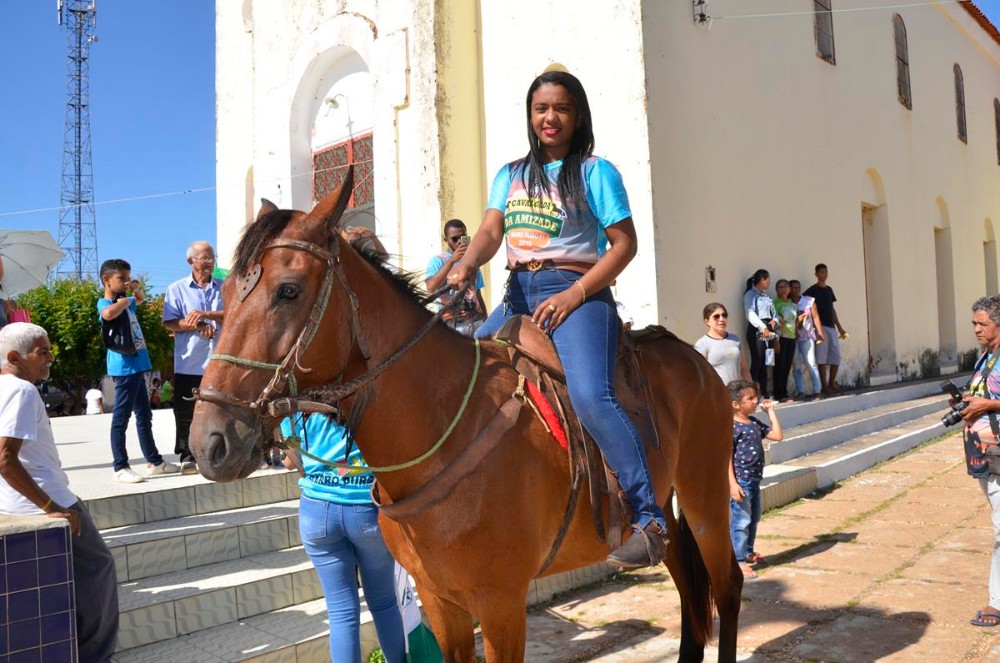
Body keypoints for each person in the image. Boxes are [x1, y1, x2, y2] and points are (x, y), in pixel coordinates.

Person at [447, 67, 668, 568]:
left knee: (592, 396)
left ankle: (648, 516)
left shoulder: (595, 172)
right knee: (463, 379)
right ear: (530, 115)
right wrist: (465, 262)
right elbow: (488, 233)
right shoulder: (510, 174)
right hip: (518, 293)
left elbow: (624, 244)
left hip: (579, 295)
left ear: (577, 116)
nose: (550, 117)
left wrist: (576, 294)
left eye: (561, 108)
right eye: (541, 108)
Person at [0, 323, 119, 661]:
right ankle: (96, 656)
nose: (51, 357)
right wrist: (51, 505)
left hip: (16, 504)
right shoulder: (22, 391)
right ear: (14, 356)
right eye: (42, 351)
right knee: (99, 572)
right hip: (51, 500)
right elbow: (5, 458)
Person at [279, 414, 405, 662]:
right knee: (383, 602)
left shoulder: (296, 413)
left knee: (340, 612)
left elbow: (290, 462)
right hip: (366, 511)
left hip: (316, 513)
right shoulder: (362, 406)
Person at [97, 259, 179, 483]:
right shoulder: (106, 303)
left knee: (144, 415)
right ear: (106, 280)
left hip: (137, 365)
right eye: (120, 279)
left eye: (127, 278)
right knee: (121, 417)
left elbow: (140, 299)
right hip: (124, 368)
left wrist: (135, 289)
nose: (125, 282)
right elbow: (107, 314)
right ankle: (120, 467)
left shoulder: (126, 301)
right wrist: (124, 301)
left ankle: (154, 462)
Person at [162, 241, 225, 470]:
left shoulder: (225, 286)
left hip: (220, 360)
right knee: (186, 410)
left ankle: (218, 451)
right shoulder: (176, 289)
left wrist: (207, 315)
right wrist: (197, 324)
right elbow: (169, 322)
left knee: (221, 408)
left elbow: (234, 313)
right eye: (204, 257)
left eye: (211, 257)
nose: (210, 261)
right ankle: (188, 455)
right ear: (191, 261)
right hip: (189, 362)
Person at [957, 295, 1000, 627]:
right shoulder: (987, 357)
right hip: (986, 455)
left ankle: (996, 602)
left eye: (982, 323)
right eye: (974, 323)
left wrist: (986, 406)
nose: (976, 329)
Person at [727, 379, 783, 580]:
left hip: (754, 480)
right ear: (735, 404)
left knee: (754, 518)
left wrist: (770, 412)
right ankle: (738, 561)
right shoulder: (732, 427)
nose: (755, 401)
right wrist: (732, 484)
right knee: (740, 521)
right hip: (741, 481)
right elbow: (726, 457)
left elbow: (777, 436)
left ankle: (748, 551)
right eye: (750, 398)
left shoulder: (754, 423)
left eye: (755, 397)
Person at [424, 220, 487, 336]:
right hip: (450, 323)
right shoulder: (438, 260)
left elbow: (477, 294)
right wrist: (452, 260)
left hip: (475, 320)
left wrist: (485, 320)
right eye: (454, 239)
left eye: (463, 237)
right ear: (446, 240)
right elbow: (431, 287)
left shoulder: (471, 261)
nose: (459, 242)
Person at [804, 263, 848, 395]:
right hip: (820, 327)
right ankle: (824, 386)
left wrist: (839, 328)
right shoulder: (812, 290)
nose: (824, 274)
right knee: (821, 359)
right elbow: (805, 306)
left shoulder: (829, 290)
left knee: (835, 357)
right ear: (816, 274)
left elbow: (832, 309)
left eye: (826, 272)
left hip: (831, 327)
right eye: (821, 272)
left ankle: (831, 383)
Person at [694, 302, 751, 385]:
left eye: (724, 315)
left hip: (737, 393)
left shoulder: (735, 339)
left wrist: (751, 388)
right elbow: (699, 374)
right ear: (707, 321)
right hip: (717, 394)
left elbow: (743, 368)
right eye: (716, 316)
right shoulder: (702, 344)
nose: (721, 319)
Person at [744, 269, 778, 398]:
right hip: (758, 329)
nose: (769, 282)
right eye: (768, 279)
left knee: (765, 362)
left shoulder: (766, 296)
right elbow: (750, 313)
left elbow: (773, 313)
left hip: (768, 329)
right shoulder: (750, 295)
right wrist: (762, 327)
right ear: (763, 279)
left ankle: (765, 394)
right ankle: (753, 394)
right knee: (757, 361)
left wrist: (775, 320)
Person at [790, 279, 825, 400]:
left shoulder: (809, 300)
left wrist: (820, 332)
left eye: (798, 287)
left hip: (807, 337)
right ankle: (801, 391)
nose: (797, 290)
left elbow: (815, 317)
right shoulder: (788, 303)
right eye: (794, 288)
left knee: (811, 363)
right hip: (793, 338)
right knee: (796, 366)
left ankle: (817, 391)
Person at [772, 279, 798, 402]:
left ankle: (784, 392)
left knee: (787, 366)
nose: (783, 289)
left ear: (789, 289)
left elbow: (794, 321)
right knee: (779, 366)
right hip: (780, 337)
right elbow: (774, 321)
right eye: (780, 287)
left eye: (785, 286)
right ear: (776, 289)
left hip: (791, 338)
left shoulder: (792, 304)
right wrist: (776, 339)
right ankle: (778, 393)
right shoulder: (774, 303)